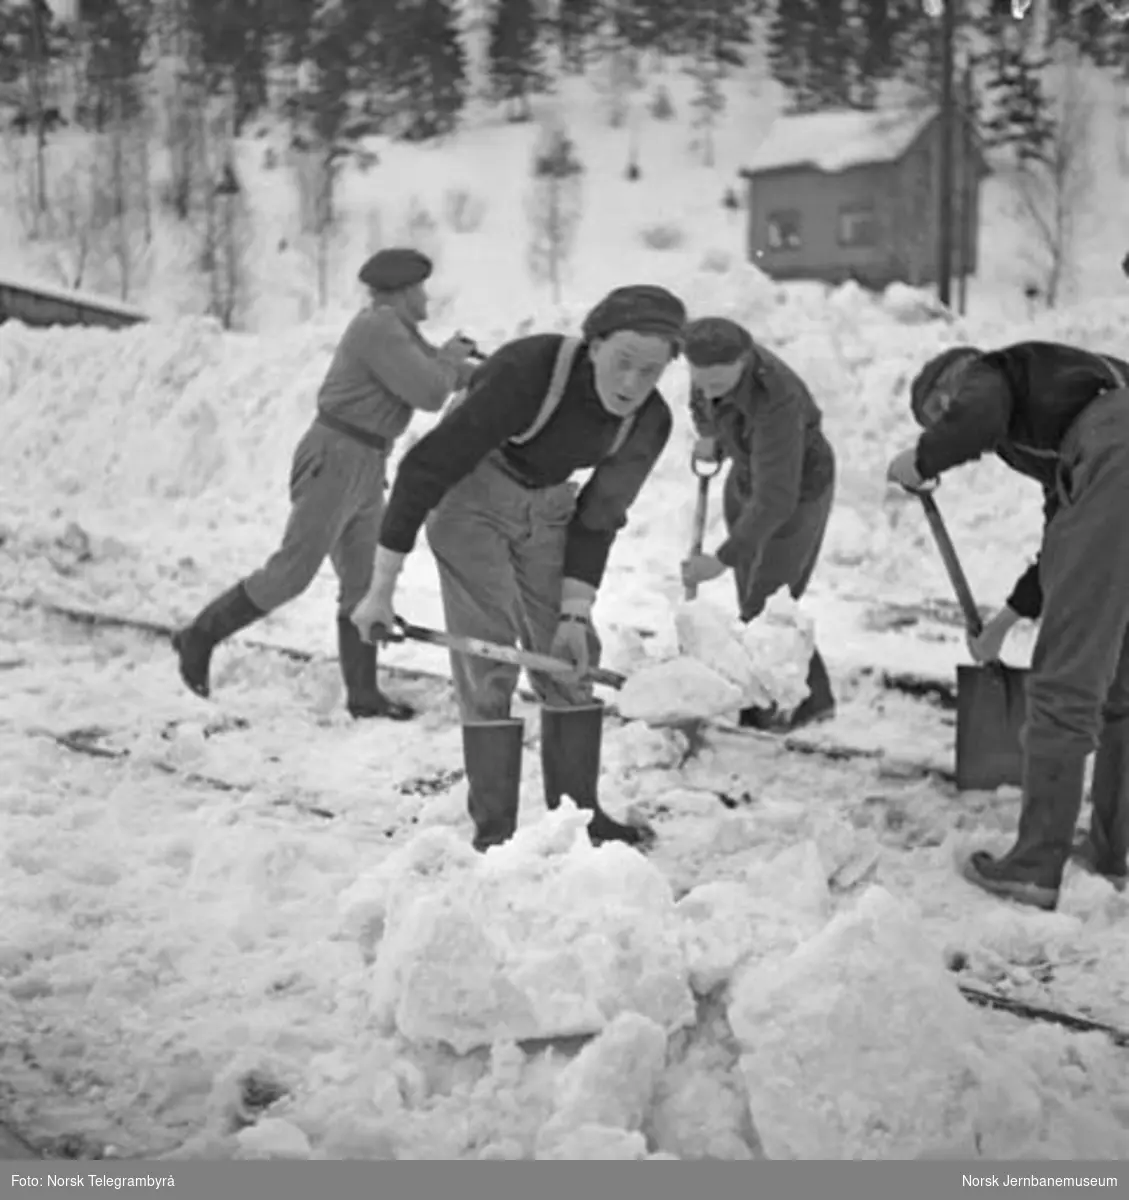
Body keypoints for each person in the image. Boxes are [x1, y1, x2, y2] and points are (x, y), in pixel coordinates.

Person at [349, 284, 688, 852]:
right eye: (622, 362)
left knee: (572, 662)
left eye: (650, 371)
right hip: (469, 497)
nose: (631, 384)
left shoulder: (647, 423)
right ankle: (496, 833)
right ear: (594, 344)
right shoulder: (529, 373)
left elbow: (599, 516)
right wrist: (379, 590)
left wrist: (574, 616)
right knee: (489, 654)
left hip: (549, 508)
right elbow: (423, 471)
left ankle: (578, 820)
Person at [172, 247, 478, 720]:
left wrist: (474, 369)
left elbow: (434, 372)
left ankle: (363, 695)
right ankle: (200, 635)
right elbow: (431, 391)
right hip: (335, 455)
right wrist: (452, 360)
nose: (426, 297)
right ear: (401, 291)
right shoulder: (378, 327)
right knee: (292, 572)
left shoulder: (399, 332)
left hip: (367, 459)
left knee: (363, 585)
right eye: (420, 288)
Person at [887, 341, 1129, 910]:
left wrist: (922, 458)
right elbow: (1065, 534)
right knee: (1121, 685)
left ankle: (1034, 865)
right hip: (1112, 466)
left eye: (942, 408)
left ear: (957, 381)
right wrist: (1005, 621)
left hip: (1119, 456)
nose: (949, 417)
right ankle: (1114, 850)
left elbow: (978, 410)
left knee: (1063, 686)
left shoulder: (993, 371)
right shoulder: (1058, 412)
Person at [679, 316, 837, 731]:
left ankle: (791, 702)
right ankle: (792, 696)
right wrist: (709, 434)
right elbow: (703, 407)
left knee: (768, 603)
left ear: (744, 361)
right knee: (756, 599)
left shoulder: (776, 399)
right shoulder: (708, 371)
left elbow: (776, 499)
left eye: (719, 383)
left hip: (798, 491)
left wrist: (720, 559)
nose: (707, 389)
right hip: (747, 476)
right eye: (702, 381)